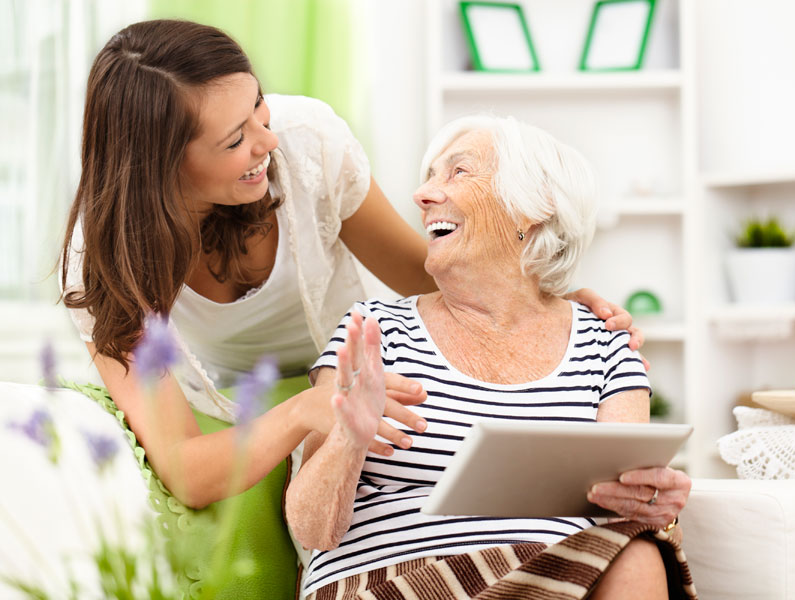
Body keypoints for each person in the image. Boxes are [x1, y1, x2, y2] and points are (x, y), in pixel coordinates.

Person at [59, 19, 640, 511]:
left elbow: (423, 272)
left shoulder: (307, 142)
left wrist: (542, 300)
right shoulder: (105, 261)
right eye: (236, 139)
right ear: (162, 165)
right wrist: (306, 411)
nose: (268, 140)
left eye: (258, 104)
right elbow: (187, 471)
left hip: (345, 370)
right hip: (231, 407)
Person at [285, 115, 696, 600]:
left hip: (552, 581)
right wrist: (348, 440)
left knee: (641, 553)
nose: (423, 196)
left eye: (458, 173)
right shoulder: (374, 331)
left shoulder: (604, 344)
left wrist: (654, 504)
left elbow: (627, 507)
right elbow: (312, 532)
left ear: (534, 207)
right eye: (429, 177)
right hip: (391, 582)